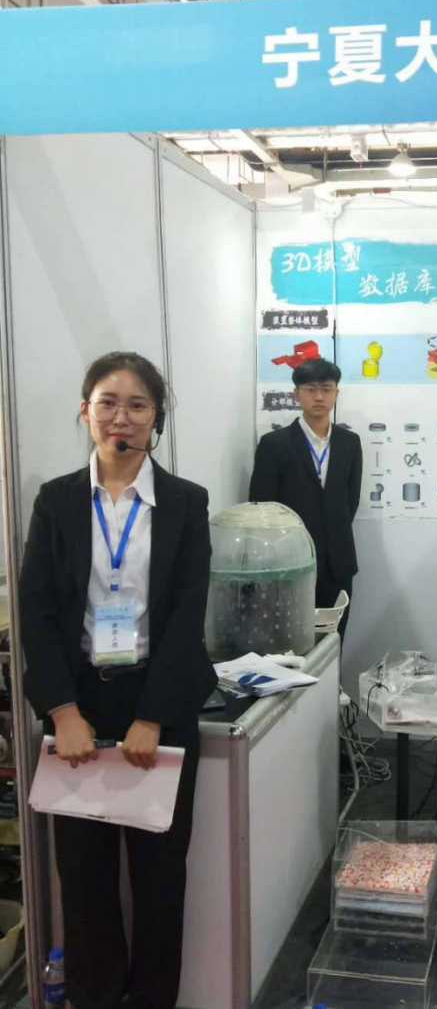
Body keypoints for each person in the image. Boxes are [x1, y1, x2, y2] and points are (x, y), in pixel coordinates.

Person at [20, 351, 217, 1009]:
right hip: (77, 701)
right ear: (85, 411)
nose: (120, 417)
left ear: (157, 417)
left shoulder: (185, 503)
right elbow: (37, 613)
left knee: (160, 876)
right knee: (83, 877)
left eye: (137, 404)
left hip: (158, 700)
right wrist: (62, 710)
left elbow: (187, 615)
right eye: (107, 402)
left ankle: (155, 999)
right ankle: (95, 996)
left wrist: (153, 716)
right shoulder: (56, 501)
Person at [249, 357, 362, 640]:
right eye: (311, 389)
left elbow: (351, 501)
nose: (319, 397)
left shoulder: (350, 443)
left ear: (336, 393)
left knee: (334, 637)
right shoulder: (274, 444)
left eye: (326, 389)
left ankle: (333, 673)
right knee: (289, 637)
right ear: (296, 394)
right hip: (288, 561)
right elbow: (261, 505)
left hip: (338, 560)